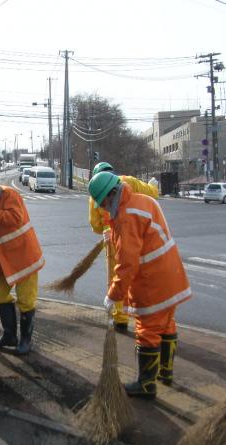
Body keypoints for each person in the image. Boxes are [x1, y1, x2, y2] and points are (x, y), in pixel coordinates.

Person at [88, 170, 191, 398]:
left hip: (152, 282)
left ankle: (146, 384)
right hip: (172, 275)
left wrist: (113, 295)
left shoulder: (125, 217)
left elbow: (126, 263)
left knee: (147, 331)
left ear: (108, 196)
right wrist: (112, 234)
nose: (102, 208)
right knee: (167, 324)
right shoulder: (143, 200)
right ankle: (166, 372)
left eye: (101, 203)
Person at [0, 169, 44, 354]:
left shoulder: (8, 194)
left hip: (24, 259)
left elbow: (15, 218)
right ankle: (10, 336)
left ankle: (26, 342)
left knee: (26, 301)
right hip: (4, 262)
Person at [88, 161, 159, 334]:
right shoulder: (129, 181)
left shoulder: (94, 195)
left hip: (112, 241)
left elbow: (95, 225)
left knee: (116, 277)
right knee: (138, 276)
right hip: (137, 237)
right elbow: (152, 195)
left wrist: (105, 229)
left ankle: (120, 318)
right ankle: (144, 318)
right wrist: (153, 185)